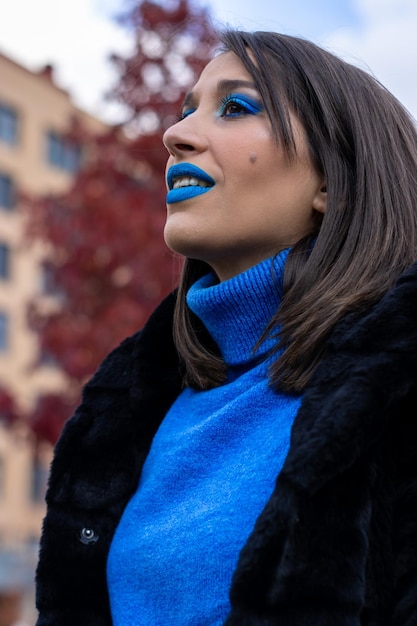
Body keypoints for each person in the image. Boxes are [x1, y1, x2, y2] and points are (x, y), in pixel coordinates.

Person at [35, 28, 417, 626]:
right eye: (186, 111)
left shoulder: (402, 389)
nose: (174, 134)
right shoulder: (128, 410)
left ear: (332, 184)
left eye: (236, 107)